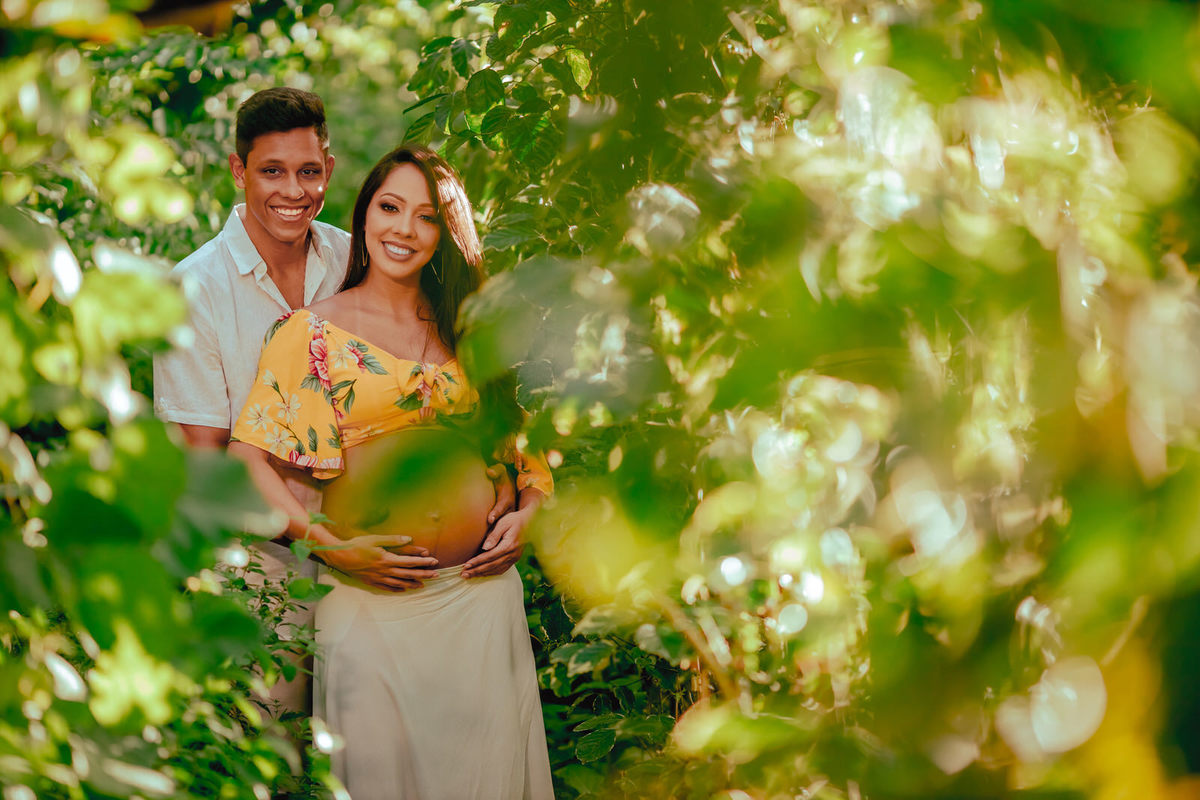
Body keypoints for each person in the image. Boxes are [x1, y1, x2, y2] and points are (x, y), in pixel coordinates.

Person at [152, 88, 517, 715]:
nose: (293, 190)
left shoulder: (360, 251)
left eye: (308, 171)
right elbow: (210, 462)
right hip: (267, 565)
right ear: (239, 170)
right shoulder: (193, 291)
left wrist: (498, 473)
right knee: (275, 737)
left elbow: (426, 387)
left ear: (330, 169)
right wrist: (326, 541)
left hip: (400, 571)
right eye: (272, 171)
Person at [227, 145, 555, 799]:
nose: (404, 229)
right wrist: (328, 546)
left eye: (426, 216)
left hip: (480, 599)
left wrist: (529, 515)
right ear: (364, 215)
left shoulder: (473, 330)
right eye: (389, 207)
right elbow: (248, 462)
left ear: (446, 233)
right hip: (368, 604)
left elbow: (528, 451)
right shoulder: (310, 333)